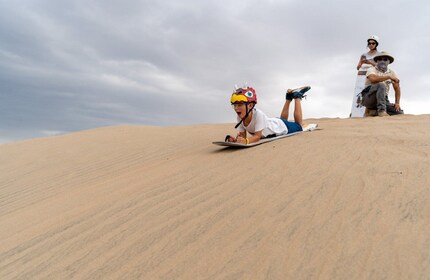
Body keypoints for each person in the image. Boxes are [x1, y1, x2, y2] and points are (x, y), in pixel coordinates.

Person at [226, 85, 310, 144]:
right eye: (235, 105)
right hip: (276, 123)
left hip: (282, 128)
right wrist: (238, 140)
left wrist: (246, 141)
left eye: (240, 105)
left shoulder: (258, 114)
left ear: (250, 105)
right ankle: (288, 97)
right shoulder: (240, 117)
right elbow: (243, 137)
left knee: (299, 126)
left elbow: (257, 137)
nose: (236, 108)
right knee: (282, 121)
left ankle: (297, 96)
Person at [361, 51, 403, 117]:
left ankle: (373, 112)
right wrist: (388, 77)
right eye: (380, 59)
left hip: (383, 99)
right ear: (377, 61)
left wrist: (397, 103)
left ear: (389, 62)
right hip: (369, 97)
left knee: (399, 113)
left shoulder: (392, 72)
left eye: (385, 59)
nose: (382, 61)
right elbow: (373, 79)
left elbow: (397, 88)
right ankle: (381, 111)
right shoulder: (371, 69)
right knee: (381, 85)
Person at [350, 35, 380, 117]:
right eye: (369, 43)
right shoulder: (363, 54)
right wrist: (361, 62)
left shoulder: (379, 54)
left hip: (372, 74)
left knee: (371, 92)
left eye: (373, 43)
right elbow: (357, 67)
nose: (371, 45)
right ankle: (356, 114)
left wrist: (370, 62)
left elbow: (380, 66)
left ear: (376, 44)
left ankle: (371, 111)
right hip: (361, 76)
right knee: (359, 94)